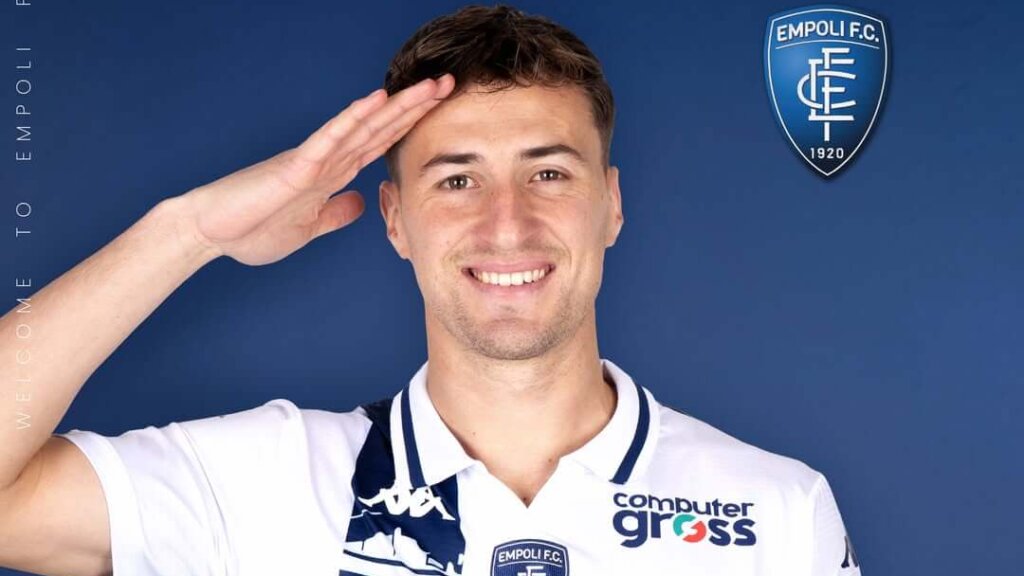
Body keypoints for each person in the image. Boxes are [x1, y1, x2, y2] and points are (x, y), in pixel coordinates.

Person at [0, 5, 861, 576]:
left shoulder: (773, 511)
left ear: (612, 205)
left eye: (549, 173)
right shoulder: (265, 483)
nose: (507, 224)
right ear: (395, 220)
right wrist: (186, 232)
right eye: (456, 181)